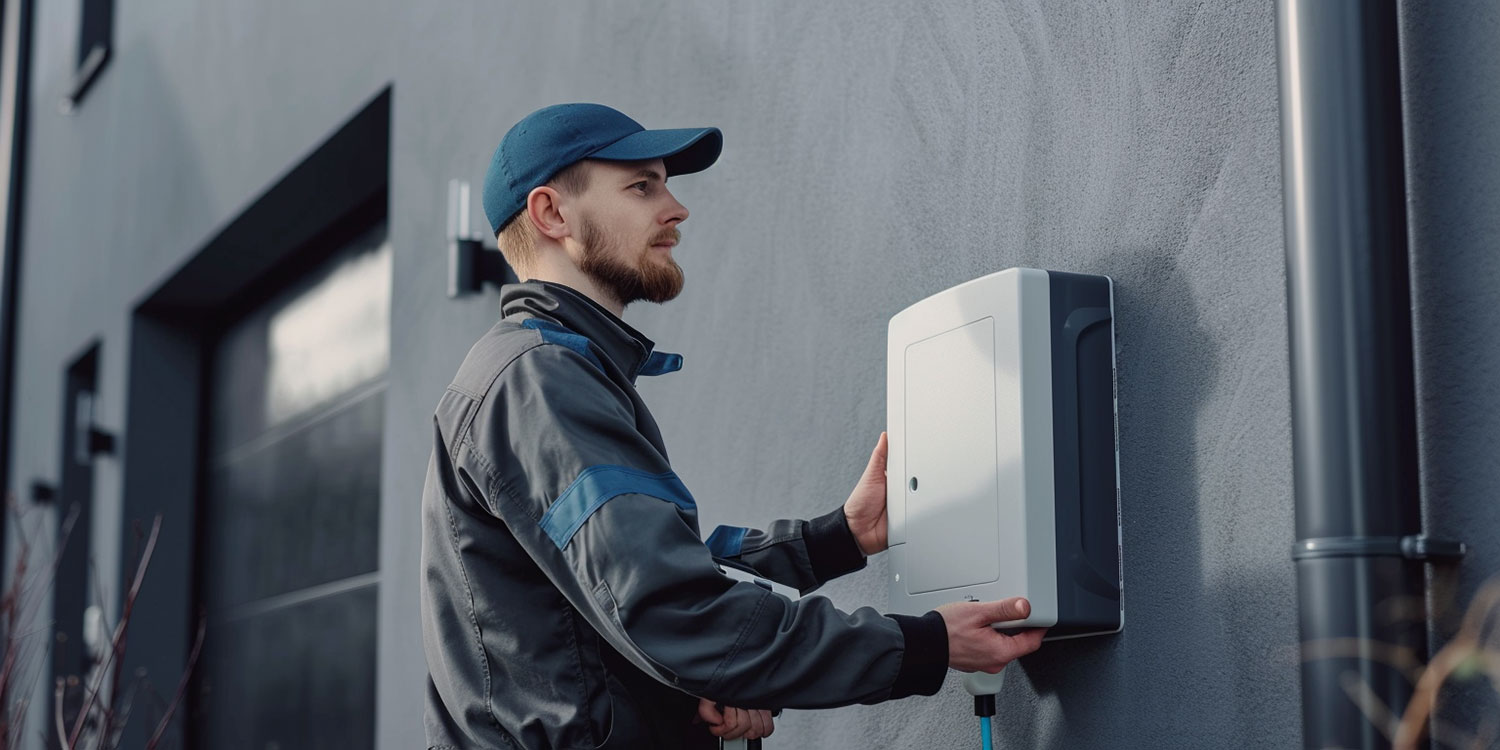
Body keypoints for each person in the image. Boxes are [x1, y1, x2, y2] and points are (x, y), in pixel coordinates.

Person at [420, 103, 1046, 750]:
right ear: (552, 213)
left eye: (668, 183)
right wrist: (928, 644)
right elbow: (673, 613)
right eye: (642, 186)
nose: (676, 208)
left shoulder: (543, 373)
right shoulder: (540, 382)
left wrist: (839, 538)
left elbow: (624, 592)